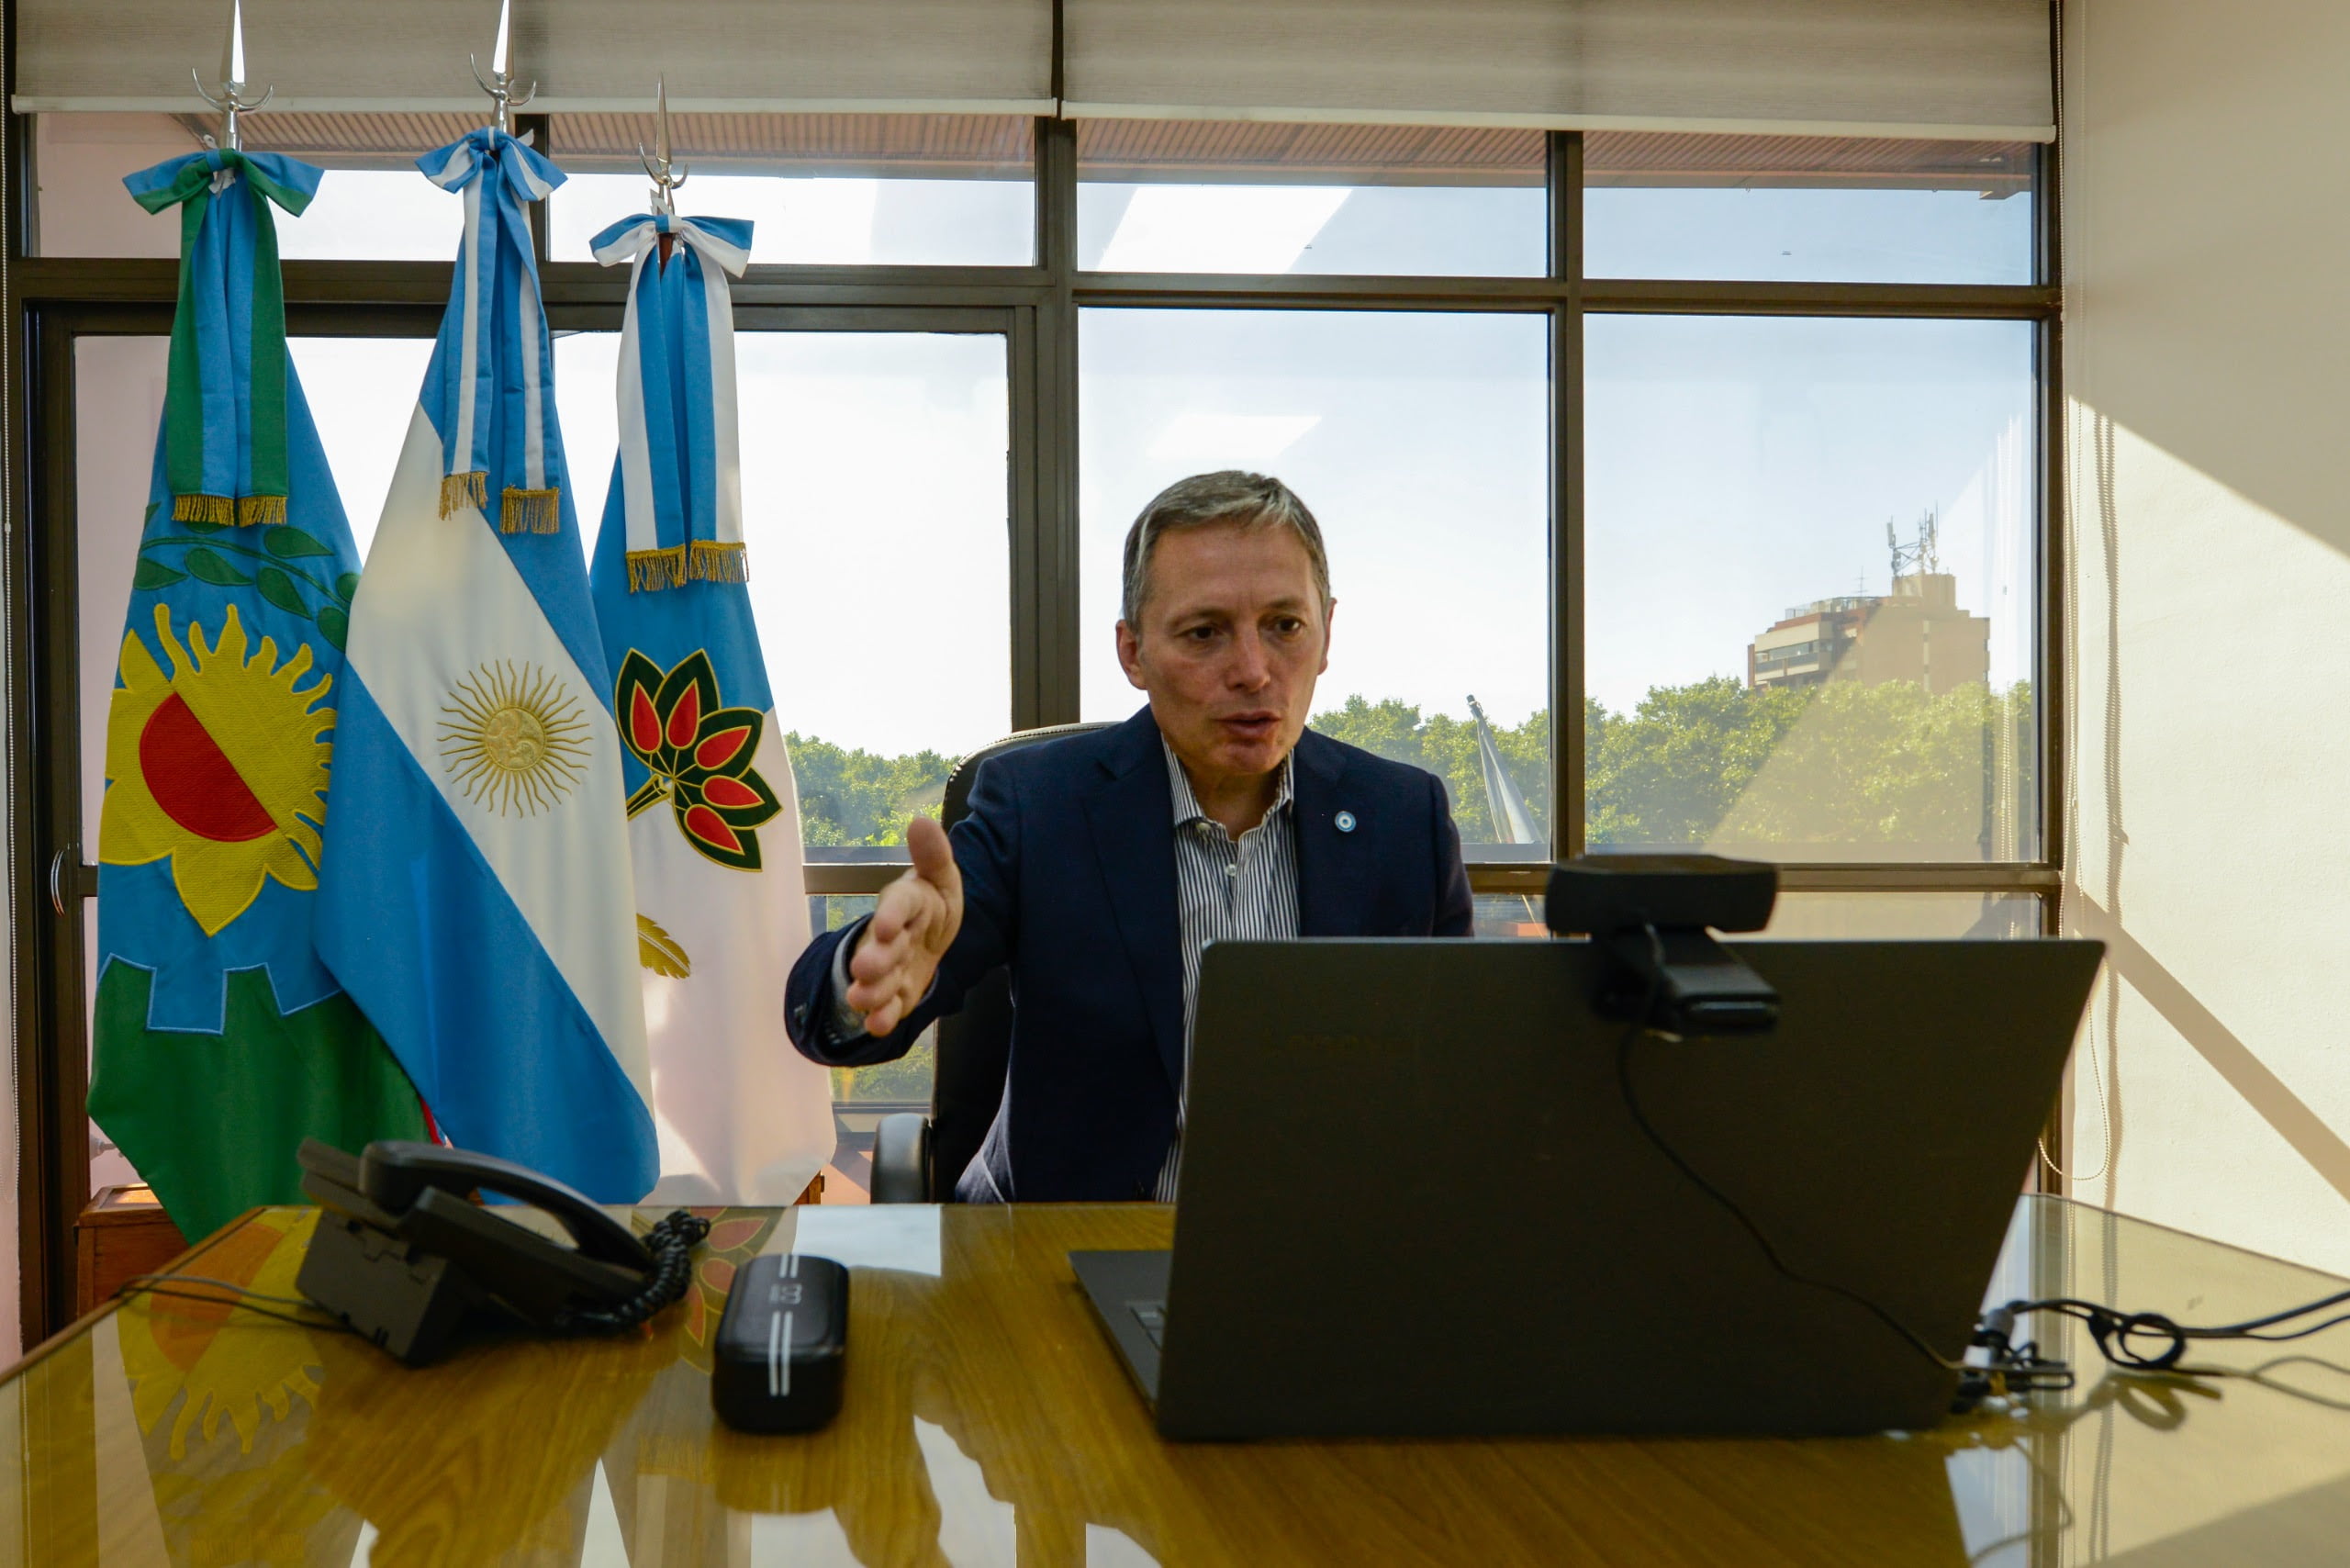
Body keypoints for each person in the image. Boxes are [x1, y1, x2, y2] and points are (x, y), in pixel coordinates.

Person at [784, 470, 1473, 1201]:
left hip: (1315, 1256)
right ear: (1133, 652)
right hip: (1065, 1253)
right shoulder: (1039, 804)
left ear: (1327, 631)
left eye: (1285, 626)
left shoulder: (1404, 817)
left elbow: (1458, 1070)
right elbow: (840, 1013)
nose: (1252, 670)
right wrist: (868, 971)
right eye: (1204, 633)